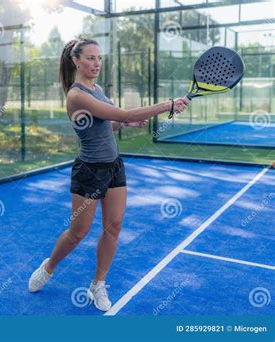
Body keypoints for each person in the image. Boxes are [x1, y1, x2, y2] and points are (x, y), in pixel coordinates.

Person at [28, 39, 190, 311]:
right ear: (76, 60)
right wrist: (167, 105)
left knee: (113, 228)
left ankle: (98, 284)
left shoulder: (97, 89)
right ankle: (49, 266)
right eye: (90, 58)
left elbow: (107, 123)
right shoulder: (77, 95)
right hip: (89, 171)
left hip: (114, 166)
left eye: (99, 58)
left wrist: (124, 123)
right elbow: (122, 111)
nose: (96, 64)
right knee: (78, 232)